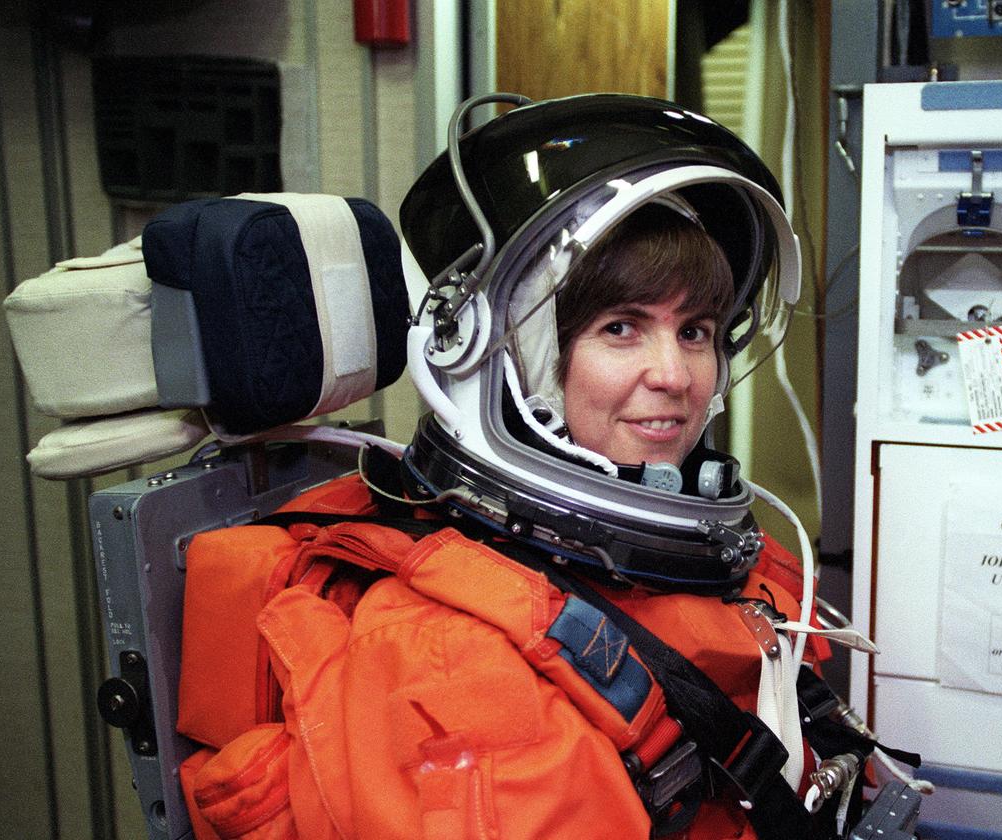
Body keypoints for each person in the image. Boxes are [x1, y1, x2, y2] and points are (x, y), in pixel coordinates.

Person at [180, 93, 881, 840]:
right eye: (622, 328)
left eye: (696, 331)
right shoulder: (456, 671)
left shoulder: (707, 572)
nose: (676, 375)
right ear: (521, 359)